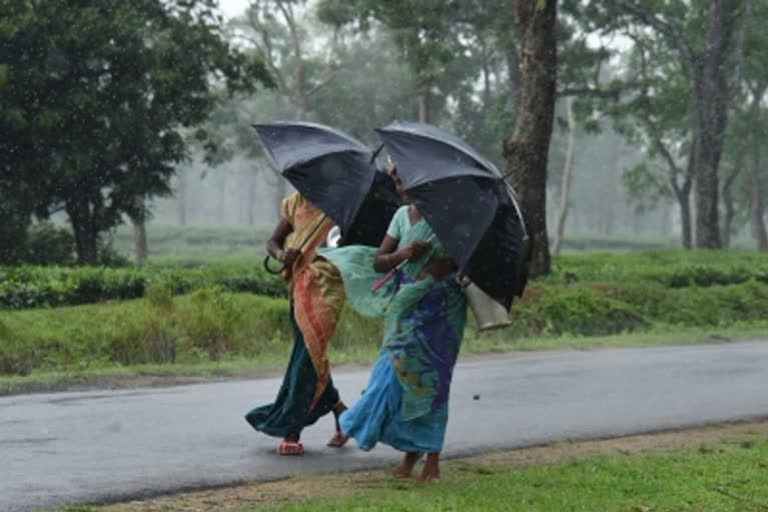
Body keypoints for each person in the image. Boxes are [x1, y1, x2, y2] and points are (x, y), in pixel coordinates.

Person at [318, 166, 466, 481]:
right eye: (396, 182)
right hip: (406, 307)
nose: (400, 187)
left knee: (431, 381)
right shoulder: (401, 216)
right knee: (393, 376)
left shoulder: (447, 217)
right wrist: (404, 253)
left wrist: (447, 264)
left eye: (404, 180)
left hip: (441, 310)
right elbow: (378, 261)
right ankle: (408, 454)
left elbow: (465, 257)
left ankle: (432, 460)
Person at [245, 191, 349, 455]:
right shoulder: (294, 203)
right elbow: (272, 241)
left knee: (307, 358)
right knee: (310, 356)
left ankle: (292, 430)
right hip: (298, 288)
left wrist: (339, 243)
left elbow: (349, 247)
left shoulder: (341, 205)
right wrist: (282, 255)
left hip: (326, 289)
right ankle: (342, 414)